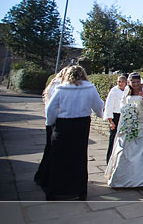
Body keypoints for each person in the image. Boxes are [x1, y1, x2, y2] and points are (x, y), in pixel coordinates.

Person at [43, 66, 105, 200]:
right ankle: (80, 191)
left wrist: (50, 123)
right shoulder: (90, 88)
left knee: (58, 157)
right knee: (79, 157)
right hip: (81, 126)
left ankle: (55, 191)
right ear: (83, 74)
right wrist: (101, 115)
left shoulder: (61, 89)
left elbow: (51, 109)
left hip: (63, 125)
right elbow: (99, 107)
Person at [105, 73, 143, 189]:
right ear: (129, 83)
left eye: (137, 82)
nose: (135, 84)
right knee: (126, 147)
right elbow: (123, 103)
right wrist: (127, 112)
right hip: (131, 121)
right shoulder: (127, 91)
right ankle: (124, 177)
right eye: (133, 82)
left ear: (140, 81)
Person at [34, 67, 68, 187]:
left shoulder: (53, 84)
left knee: (49, 150)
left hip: (51, 121)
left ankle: (42, 176)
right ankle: (46, 177)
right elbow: (55, 106)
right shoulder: (60, 86)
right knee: (53, 151)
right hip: (56, 121)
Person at [102, 74, 128, 163]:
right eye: (118, 82)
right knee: (113, 138)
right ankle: (109, 160)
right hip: (115, 116)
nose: (120, 84)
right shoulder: (113, 91)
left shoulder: (128, 91)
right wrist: (111, 121)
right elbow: (108, 106)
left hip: (124, 116)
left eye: (122, 82)